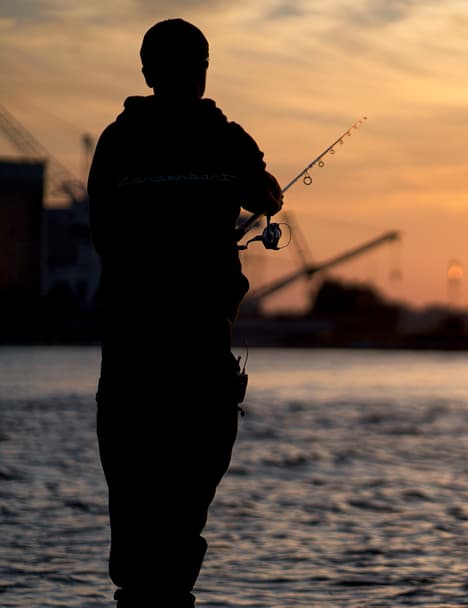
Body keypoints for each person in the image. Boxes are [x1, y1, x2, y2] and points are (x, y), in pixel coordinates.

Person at [88, 18, 282, 607]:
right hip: (201, 353)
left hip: (131, 353)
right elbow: (269, 197)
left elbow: (102, 230)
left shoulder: (117, 142)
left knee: (135, 513)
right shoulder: (227, 139)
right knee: (183, 513)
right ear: (202, 71)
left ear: (147, 73)